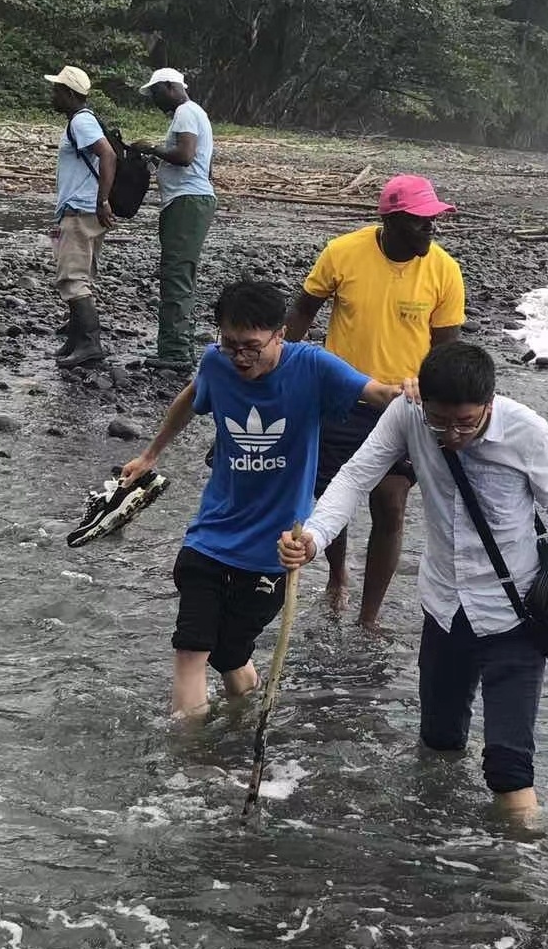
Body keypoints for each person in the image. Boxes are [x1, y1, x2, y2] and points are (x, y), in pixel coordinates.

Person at [279, 342, 548, 816]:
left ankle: (520, 877)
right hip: (444, 610)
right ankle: (437, 849)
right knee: (439, 745)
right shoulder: (409, 414)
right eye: (440, 422)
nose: (452, 434)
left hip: (515, 616)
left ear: (490, 403)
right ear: (423, 401)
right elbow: (354, 478)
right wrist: (315, 537)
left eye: (467, 423)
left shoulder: (527, 431)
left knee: (510, 770)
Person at [120, 281, 408, 719]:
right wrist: (150, 453)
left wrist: (410, 390)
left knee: (230, 657)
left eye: (252, 346)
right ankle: (190, 763)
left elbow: (377, 394)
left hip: (276, 549)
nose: (240, 357)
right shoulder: (216, 364)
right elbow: (193, 395)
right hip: (211, 534)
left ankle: (245, 721)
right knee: (191, 648)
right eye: (230, 343)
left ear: (281, 334)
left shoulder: (312, 367)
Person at [284, 174, 465, 630]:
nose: (431, 230)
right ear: (393, 220)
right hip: (343, 396)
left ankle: (369, 616)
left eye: (434, 222)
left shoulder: (443, 270)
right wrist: (281, 364)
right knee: (333, 499)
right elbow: (304, 307)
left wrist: (442, 409)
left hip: (404, 407)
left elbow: (447, 348)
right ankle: (337, 575)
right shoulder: (343, 252)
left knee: (390, 504)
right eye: (423, 223)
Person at [131, 67, 216, 371]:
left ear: (170, 87)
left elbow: (185, 155)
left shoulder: (185, 112)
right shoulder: (196, 113)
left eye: (155, 93)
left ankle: (175, 352)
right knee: (181, 273)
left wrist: (151, 147)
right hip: (191, 200)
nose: (154, 100)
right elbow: (205, 167)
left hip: (186, 202)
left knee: (176, 274)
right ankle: (181, 347)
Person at [45, 64, 116, 369]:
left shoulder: (81, 122)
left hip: (79, 211)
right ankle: (76, 340)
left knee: (71, 278)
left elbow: (108, 155)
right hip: (83, 210)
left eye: (57, 90)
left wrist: (102, 201)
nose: (53, 95)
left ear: (69, 94)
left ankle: (89, 344)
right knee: (80, 275)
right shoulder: (82, 121)